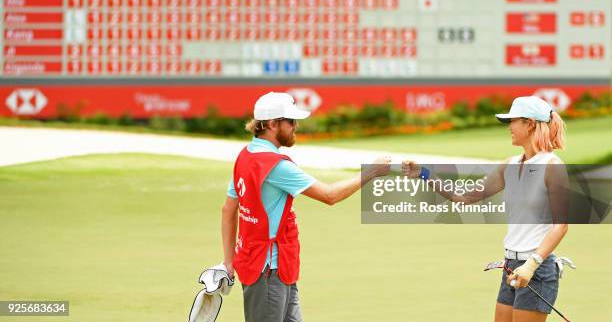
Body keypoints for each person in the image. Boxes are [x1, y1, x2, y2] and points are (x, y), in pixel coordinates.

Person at [221, 92, 391, 322]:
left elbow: (228, 210)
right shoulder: (276, 166)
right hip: (268, 271)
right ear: (272, 124)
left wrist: (228, 261)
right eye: (290, 121)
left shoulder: (246, 156)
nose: (295, 126)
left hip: (275, 268)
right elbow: (330, 195)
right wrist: (371, 172)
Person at [402, 96, 569, 322]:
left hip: (536, 268)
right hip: (510, 266)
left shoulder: (552, 166)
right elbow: (463, 196)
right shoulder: (509, 165)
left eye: (513, 121)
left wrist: (531, 265)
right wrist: (424, 174)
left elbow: (561, 226)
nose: (509, 127)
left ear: (529, 123)